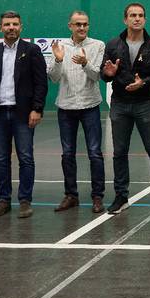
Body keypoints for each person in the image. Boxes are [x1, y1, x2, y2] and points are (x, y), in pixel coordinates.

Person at [0, 11, 48, 218]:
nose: (11, 28)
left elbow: (40, 83)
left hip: (23, 114)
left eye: (15, 24)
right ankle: (3, 200)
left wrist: (37, 109)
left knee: (26, 158)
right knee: (0, 159)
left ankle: (25, 201)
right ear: (0, 28)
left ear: (21, 27)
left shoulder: (32, 50)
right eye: (7, 24)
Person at [101, 3, 150, 214]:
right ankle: (121, 197)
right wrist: (108, 74)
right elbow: (105, 74)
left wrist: (144, 83)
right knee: (119, 152)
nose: (137, 18)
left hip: (145, 104)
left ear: (145, 19)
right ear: (125, 19)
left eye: (140, 15)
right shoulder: (113, 44)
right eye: (133, 15)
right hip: (120, 104)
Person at [48, 11, 106, 213]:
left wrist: (85, 63)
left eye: (85, 24)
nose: (82, 27)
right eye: (78, 24)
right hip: (66, 107)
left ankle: (97, 197)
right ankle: (71, 195)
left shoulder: (98, 45)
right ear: (70, 26)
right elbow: (53, 78)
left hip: (90, 106)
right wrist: (58, 60)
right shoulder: (59, 46)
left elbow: (97, 75)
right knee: (67, 154)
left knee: (95, 153)